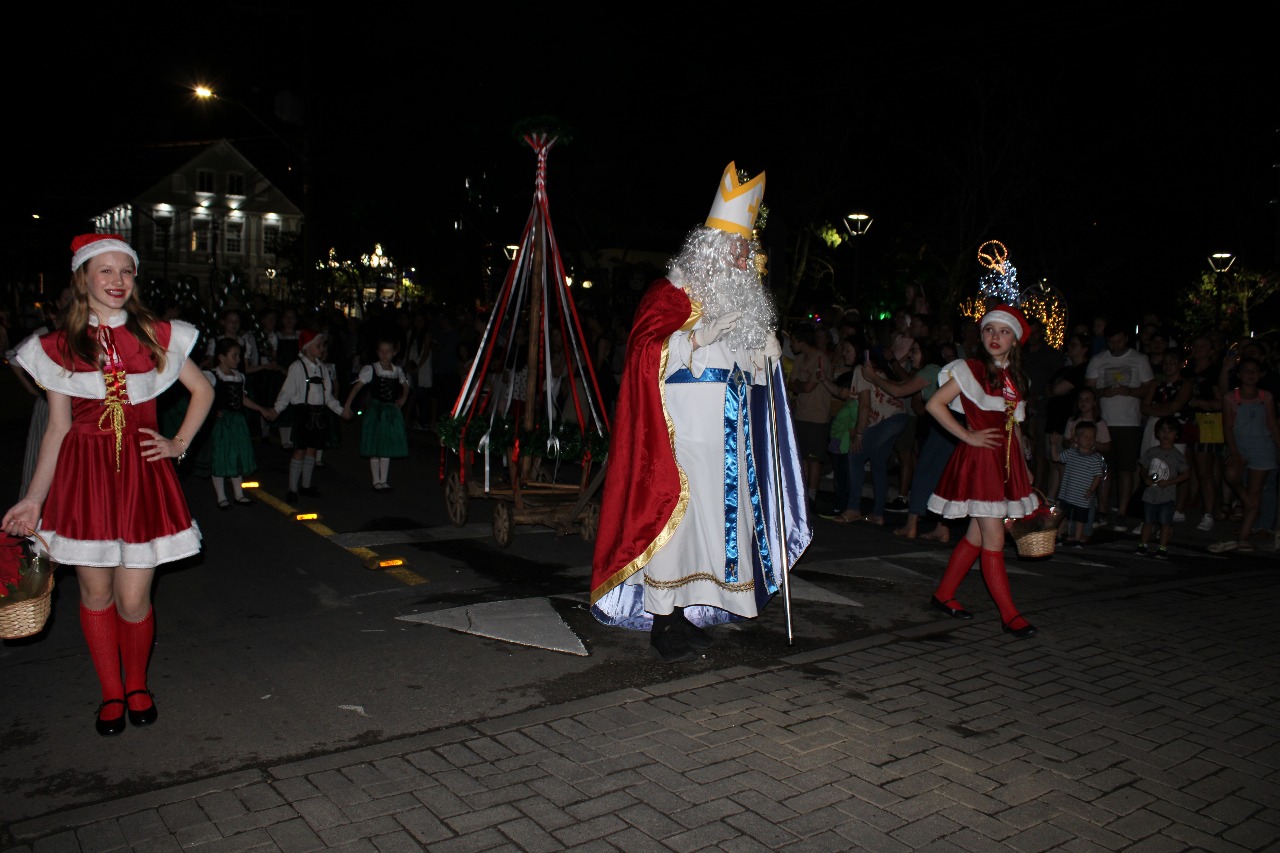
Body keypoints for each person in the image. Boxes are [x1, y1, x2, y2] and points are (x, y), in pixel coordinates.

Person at [589, 162, 810, 663]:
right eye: (734, 247)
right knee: (675, 524)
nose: (741, 256)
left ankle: (687, 613)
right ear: (709, 247)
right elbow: (644, 351)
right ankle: (663, 620)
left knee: (718, 526)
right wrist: (692, 338)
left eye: (746, 248)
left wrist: (766, 360)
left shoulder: (746, 304)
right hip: (679, 437)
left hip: (728, 442)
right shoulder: (670, 294)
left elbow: (753, 384)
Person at [2, 234, 213, 736]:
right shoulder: (57, 345)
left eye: (126, 271)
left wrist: (177, 443)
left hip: (141, 477)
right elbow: (57, 426)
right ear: (83, 278)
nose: (118, 281)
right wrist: (33, 499)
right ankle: (111, 693)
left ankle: (137, 684)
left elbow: (203, 390)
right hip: (85, 478)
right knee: (95, 594)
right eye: (106, 271)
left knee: (134, 599)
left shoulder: (155, 333)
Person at [924, 304, 1040, 639]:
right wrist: (967, 435)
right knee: (994, 536)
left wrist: (1025, 465)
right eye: (990, 329)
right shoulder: (970, 368)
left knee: (977, 534)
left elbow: (1014, 425)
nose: (995, 336)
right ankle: (1010, 615)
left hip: (1004, 464)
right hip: (980, 462)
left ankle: (943, 595)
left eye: (1004, 331)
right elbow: (934, 404)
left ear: (1014, 341)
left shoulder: (1016, 378)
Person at [857, 338, 947, 540]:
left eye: (914, 351)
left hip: (945, 429)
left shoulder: (931, 370)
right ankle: (942, 526)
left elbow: (899, 390)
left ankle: (911, 525)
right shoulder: (931, 372)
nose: (910, 355)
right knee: (941, 475)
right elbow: (901, 384)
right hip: (943, 427)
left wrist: (872, 377)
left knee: (923, 472)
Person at [1086, 323, 1154, 530]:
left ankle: (1122, 511)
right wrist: (1101, 393)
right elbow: (1088, 388)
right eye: (1111, 342)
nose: (1115, 345)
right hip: (1103, 422)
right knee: (1104, 468)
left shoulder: (1139, 359)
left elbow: (1148, 387)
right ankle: (1103, 510)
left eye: (1118, 340)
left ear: (1126, 338)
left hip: (1128, 422)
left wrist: (1129, 392)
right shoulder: (1099, 360)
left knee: (1125, 469)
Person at [1209, 358, 1280, 553]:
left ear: (1261, 374)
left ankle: (1243, 536)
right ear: (1239, 375)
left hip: (1262, 447)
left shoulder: (1267, 397)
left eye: (1254, 371)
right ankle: (1243, 499)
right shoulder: (1231, 398)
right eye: (1246, 371)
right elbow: (1228, 427)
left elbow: (1272, 424)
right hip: (1239, 446)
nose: (1250, 374)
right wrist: (1234, 451)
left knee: (1256, 492)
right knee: (1231, 475)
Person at [272, 328, 350, 503]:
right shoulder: (296, 367)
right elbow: (287, 392)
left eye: (322, 345)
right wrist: (276, 409)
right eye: (318, 345)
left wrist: (341, 410)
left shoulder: (323, 368)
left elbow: (328, 396)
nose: (322, 348)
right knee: (299, 451)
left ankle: (306, 486)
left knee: (312, 451)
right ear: (306, 347)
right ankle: (292, 489)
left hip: (319, 415)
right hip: (303, 414)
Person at [833, 345, 908, 524]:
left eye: (848, 350)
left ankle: (853, 508)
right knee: (878, 463)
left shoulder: (861, 370)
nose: (844, 353)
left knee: (855, 456)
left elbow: (865, 405)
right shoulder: (879, 370)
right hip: (898, 417)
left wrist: (859, 433)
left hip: (889, 420)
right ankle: (877, 514)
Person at [202, 338, 277, 509]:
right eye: (234, 356)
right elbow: (202, 396)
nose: (238, 359)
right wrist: (214, 410)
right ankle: (221, 496)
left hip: (237, 421)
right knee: (221, 456)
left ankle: (238, 494)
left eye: (239, 355)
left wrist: (261, 409)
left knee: (236, 454)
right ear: (221, 357)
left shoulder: (239, 377)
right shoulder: (212, 376)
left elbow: (242, 399)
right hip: (221, 422)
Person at [342, 336, 411, 490]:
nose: (384, 354)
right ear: (377, 352)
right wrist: (347, 405)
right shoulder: (371, 369)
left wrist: (403, 398)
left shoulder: (397, 370)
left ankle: (384, 480)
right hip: (376, 411)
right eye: (381, 351)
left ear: (394, 352)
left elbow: (406, 385)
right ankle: (376, 480)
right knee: (375, 443)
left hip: (390, 412)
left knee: (385, 444)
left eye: (388, 351)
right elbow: (357, 387)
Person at [786, 322, 832, 507]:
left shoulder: (820, 359)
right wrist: (799, 385)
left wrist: (799, 385)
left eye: (793, 341)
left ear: (802, 341)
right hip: (802, 413)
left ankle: (812, 494)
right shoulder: (799, 360)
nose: (790, 345)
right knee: (803, 455)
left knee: (814, 458)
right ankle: (803, 491)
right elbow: (791, 384)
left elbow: (807, 386)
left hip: (817, 414)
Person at [1135, 417, 1190, 559]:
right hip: (1150, 494)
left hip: (1167, 495)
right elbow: (1143, 467)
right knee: (1147, 521)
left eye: (1170, 431)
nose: (1166, 434)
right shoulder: (1151, 452)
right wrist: (1145, 478)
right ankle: (1143, 544)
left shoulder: (1177, 455)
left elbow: (1186, 474)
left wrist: (1170, 482)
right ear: (1157, 433)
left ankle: (1162, 546)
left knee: (1165, 523)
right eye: (1163, 430)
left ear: (1176, 435)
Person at [1057, 422, 1107, 548]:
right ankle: (1058, 536)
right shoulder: (1071, 452)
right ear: (1077, 439)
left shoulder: (1095, 458)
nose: (1089, 440)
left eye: (1092, 437)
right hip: (1067, 493)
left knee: (1080, 518)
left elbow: (1098, 476)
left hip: (1082, 495)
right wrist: (1053, 445)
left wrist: (1091, 490)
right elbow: (1056, 458)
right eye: (1086, 437)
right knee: (1062, 515)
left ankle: (1077, 539)